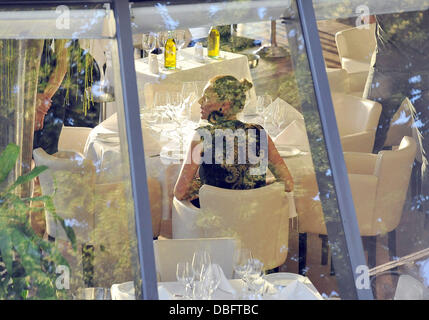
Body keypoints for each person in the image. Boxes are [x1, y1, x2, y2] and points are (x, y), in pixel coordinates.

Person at [174, 75, 294, 207]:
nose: (199, 101)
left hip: (214, 221)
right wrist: (259, 186)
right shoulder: (260, 133)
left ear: (224, 105)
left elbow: (180, 192)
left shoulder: (202, 136)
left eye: (206, 97)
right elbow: (287, 183)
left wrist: (200, 185)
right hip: (255, 220)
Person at [363, 10, 429, 216]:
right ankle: (425, 214)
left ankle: (365, 209)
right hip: (421, 68)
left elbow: (369, 16)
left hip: (388, 67)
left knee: (367, 141)